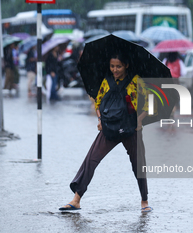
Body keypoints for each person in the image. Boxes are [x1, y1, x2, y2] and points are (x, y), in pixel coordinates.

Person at [59, 52, 152, 212]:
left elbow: (149, 104)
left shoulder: (136, 81)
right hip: (110, 128)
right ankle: (76, 199)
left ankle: (144, 201)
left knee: (138, 164)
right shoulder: (107, 81)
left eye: (118, 66)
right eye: (112, 66)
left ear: (126, 65)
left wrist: (140, 120)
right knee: (91, 159)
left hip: (131, 129)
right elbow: (98, 102)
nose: (114, 70)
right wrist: (100, 120)